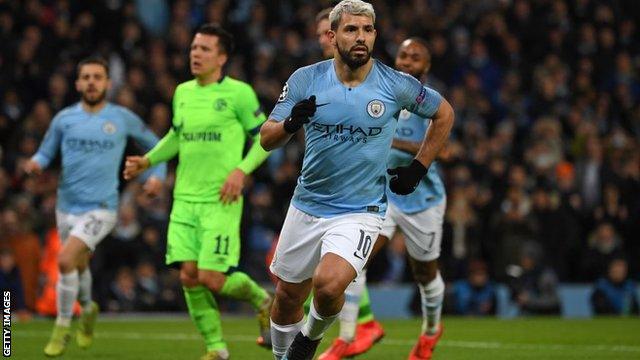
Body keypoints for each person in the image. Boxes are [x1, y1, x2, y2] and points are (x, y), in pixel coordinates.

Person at [260, 1, 455, 359]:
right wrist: (289, 124)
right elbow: (266, 138)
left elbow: (444, 113)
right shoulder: (306, 79)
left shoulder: (396, 84)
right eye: (351, 30)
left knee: (329, 283)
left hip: (361, 209)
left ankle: (309, 342)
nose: (360, 37)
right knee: (287, 297)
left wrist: (419, 167)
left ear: (375, 35)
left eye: (367, 30)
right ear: (332, 37)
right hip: (306, 204)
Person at [123, 23, 272, 360]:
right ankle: (216, 349)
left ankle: (262, 299)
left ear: (222, 57)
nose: (196, 54)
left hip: (221, 200)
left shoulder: (239, 93)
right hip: (184, 201)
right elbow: (177, 136)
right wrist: (147, 161)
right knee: (189, 277)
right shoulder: (182, 92)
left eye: (204, 49)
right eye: (193, 48)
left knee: (212, 278)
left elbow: (266, 138)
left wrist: (241, 170)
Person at [23, 56, 166, 357]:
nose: (91, 82)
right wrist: (35, 164)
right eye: (85, 77)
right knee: (79, 263)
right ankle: (88, 310)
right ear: (77, 83)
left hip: (102, 207)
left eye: (97, 77)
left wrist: (156, 177)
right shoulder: (64, 119)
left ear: (107, 83)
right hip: (66, 206)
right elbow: (45, 152)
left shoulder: (121, 118)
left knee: (64, 260)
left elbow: (157, 146)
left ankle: (61, 328)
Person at [321, 37, 449, 360]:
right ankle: (348, 337)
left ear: (426, 67)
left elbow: (446, 149)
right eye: (403, 55)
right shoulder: (385, 93)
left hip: (424, 199)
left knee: (425, 274)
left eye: (415, 57)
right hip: (384, 196)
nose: (407, 61)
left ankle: (431, 331)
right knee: (354, 260)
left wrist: (394, 142)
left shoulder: (430, 102)